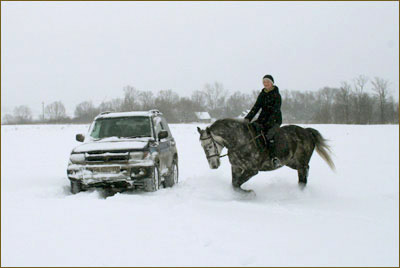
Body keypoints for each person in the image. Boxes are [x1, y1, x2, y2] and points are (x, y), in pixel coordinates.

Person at [244, 74, 282, 167]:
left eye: (267, 82)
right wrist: (247, 118)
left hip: (275, 119)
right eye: (264, 82)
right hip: (262, 119)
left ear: (272, 83)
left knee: (269, 135)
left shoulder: (276, 94)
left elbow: (276, 110)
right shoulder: (262, 94)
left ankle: (274, 158)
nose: (265, 84)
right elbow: (256, 107)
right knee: (251, 131)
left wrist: (269, 122)